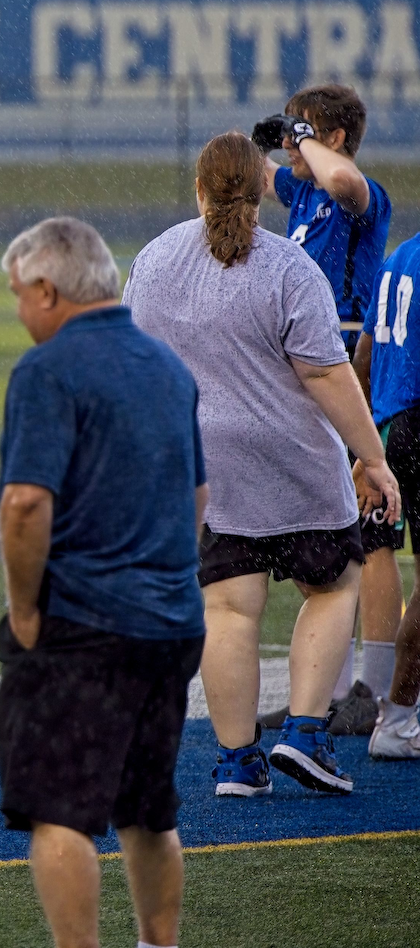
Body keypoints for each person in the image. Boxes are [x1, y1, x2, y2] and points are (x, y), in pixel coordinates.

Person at [123, 131, 400, 799]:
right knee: (334, 584)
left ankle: (237, 762)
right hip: (294, 457)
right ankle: (304, 732)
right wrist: (373, 457)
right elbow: (326, 374)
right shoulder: (287, 266)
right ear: (261, 192)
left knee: (228, 608)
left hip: (206, 462)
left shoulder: (155, 259)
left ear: (199, 189)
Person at [0, 216, 206, 948]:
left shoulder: (48, 369)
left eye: (19, 294)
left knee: (60, 811)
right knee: (148, 810)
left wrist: (25, 611)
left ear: (48, 290)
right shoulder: (168, 366)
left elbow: (25, 504)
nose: (19, 310)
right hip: (171, 623)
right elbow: (198, 496)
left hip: (86, 625)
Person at [254, 84, 396, 736]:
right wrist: (263, 142)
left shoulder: (357, 193)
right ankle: (326, 691)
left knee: (369, 537)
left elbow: (343, 179)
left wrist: (307, 142)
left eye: (306, 130)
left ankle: (378, 688)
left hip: (347, 365)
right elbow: (254, 174)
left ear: (334, 138)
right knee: (316, 533)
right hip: (301, 369)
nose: (294, 143)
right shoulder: (304, 190)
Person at [351, 234, 420, 760]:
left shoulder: (400, 255)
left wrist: (366, 443)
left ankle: (396, 712)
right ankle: (396, 714)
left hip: (396, 430)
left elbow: (365, 353)